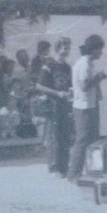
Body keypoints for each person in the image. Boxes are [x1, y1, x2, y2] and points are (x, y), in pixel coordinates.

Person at [67, 34, 107, 181]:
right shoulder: (84, 64)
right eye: (100, 49)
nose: (101, 52)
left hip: (90, 104)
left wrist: (98, 88)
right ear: (94, 50)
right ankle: (73, 174)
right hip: (83, 107)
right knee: (83, 140)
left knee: (93, 139)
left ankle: (91, 171)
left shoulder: (89, 63)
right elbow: (84, 86)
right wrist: (99, 78)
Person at [36, 37, 73, 177]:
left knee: (65, 135)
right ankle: (54, 167)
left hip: (65, 104)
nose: (67, 50)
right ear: (58, 48)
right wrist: (57, 93)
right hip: (53, 103)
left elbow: (69, 85)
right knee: (54, 135)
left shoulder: (67, 67)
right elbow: (39, 86)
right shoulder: (49, 65)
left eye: (68, 48)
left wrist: (70, 94)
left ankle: (64, 166)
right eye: (65, 47)